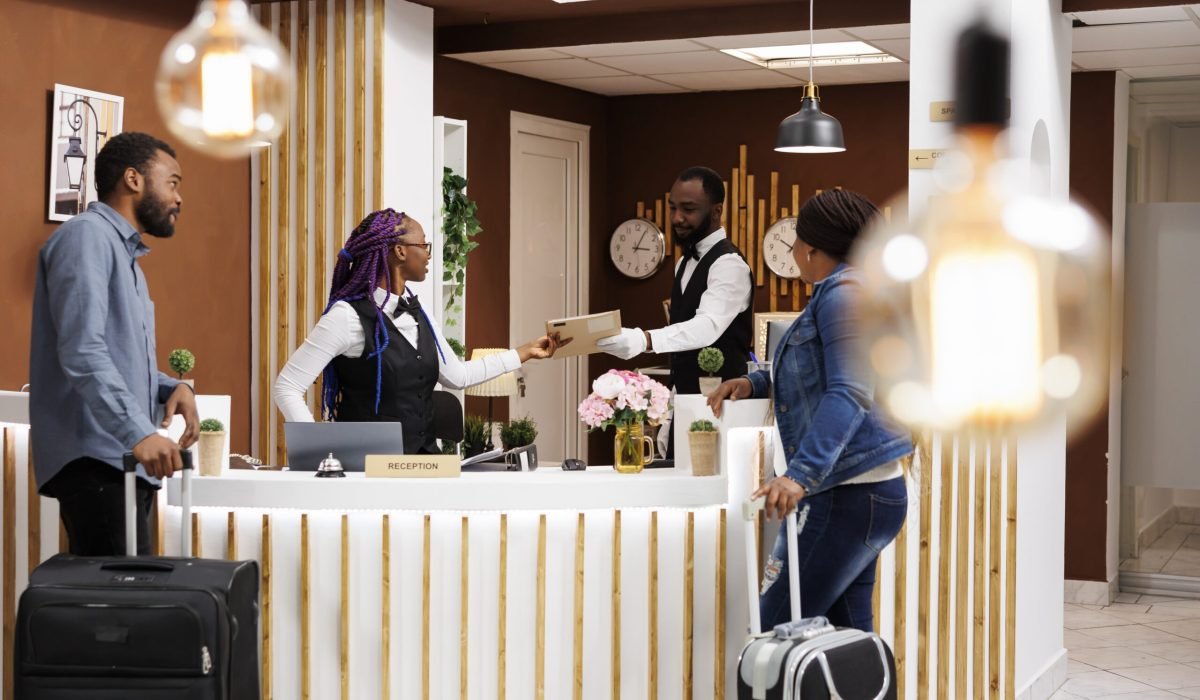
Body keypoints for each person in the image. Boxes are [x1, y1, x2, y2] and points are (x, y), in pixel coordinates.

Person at [706, 189, 912, 633]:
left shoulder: (844, 294)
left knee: (773, 633)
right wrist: (752, 382)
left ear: (811, 248)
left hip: (844, 494)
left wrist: (799, 475)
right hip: (864, 492)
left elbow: (851, 390)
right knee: (848, 638)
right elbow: (820, 370)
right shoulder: (849, 291)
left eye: (796, 240)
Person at [30, 131, 199, 556]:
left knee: (127, 609)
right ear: (134, 179)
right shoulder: (86, 237)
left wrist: (171, 387)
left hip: (122, 461)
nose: (179, 198)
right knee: (120, 612)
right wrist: (138, 431)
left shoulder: (126, 258)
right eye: (173, 182)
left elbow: (116, 354)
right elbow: (83, 351)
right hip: (101, 461)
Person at [274, 208, 560, 453]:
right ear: (400, 251)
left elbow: (457, 376)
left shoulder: (418, 311)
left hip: (424, 466)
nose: (428, 255)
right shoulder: (346, 317)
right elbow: (287, 387)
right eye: (424, 246)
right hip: (367, 473)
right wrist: (318, 456)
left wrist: (523, 353)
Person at [598, 166, 753, 454]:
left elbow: (707, 327)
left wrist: (644, 339)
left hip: (721, 408)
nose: (676, 218)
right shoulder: (683, 263)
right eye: (673, 208)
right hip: (684, 402)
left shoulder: (729, 265)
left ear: (717, 210)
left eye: (688, 209)